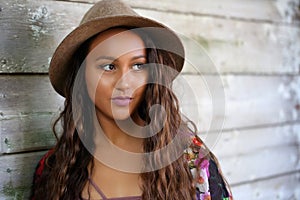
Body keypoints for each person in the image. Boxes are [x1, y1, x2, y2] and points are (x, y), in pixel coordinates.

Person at [31, 0, 232, 199]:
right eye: (108, 67)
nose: (125, 83)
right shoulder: (56, 169)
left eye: (138, 66)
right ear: (81, 76)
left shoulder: (190, 160)